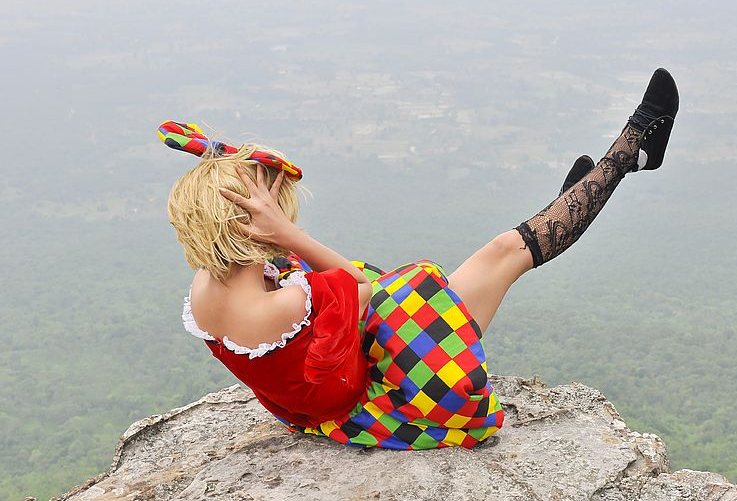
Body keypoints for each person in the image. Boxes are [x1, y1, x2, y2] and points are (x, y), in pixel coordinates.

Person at [164, 68, 679, 450]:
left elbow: (352, 296)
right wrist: (292, 235)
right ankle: (627, 156)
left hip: (323, 391)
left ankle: (562, 213)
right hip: (384, 398)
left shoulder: (206, 290)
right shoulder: (281, 307)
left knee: (495, 261)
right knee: (503, 253)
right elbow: (368, 284)